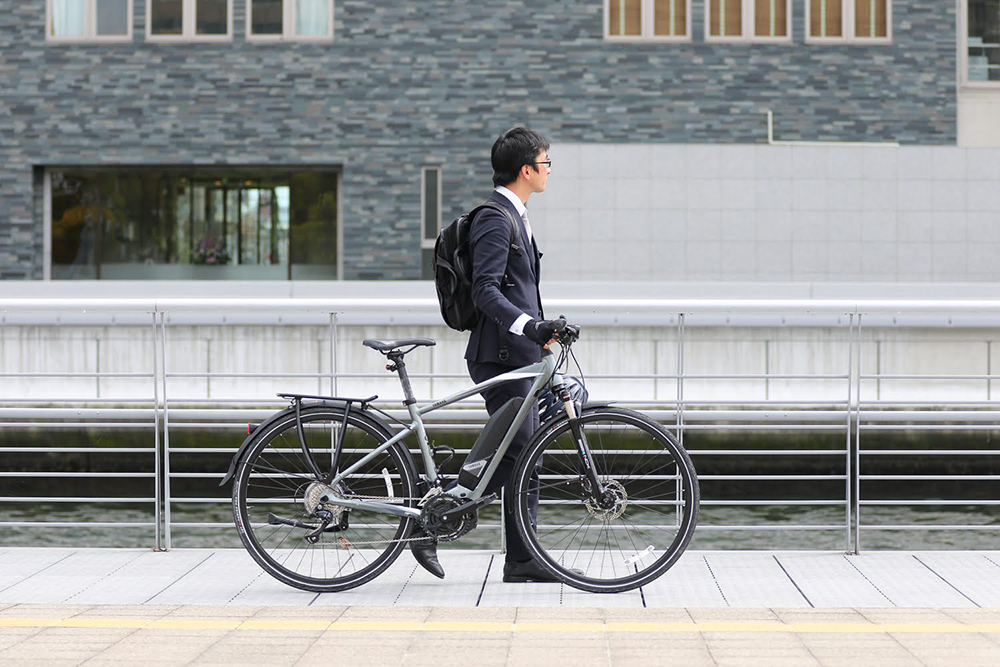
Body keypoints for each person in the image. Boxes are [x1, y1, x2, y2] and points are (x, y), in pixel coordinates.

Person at [412, 126, 570, 582]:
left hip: (521, 351)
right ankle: (433, 522)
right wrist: (530, 325)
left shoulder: (514, 214)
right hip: (500, 353)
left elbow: (516, 289)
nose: (548, 171)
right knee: (519, 447)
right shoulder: (496, 218)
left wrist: (541, 330)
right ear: (526, 169)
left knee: (528, 454)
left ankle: (523, 559)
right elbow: (485, 291)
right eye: (546, 163)